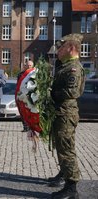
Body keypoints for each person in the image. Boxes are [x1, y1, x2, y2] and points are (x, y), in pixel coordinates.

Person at [49, 34, 85, 199]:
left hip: (66, 113)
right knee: (62, 147)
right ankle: (64, 175)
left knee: (67, 150)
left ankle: (72, 189)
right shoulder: (65, 65)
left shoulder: (74, 68)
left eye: (61, 48)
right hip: (61, 112)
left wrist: (50, 94)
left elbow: (72, 92)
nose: (58, 51)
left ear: (71, 48)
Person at [17, 60, 34, 132]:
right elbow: (18, 85)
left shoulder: (34, 74)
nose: (28, 67)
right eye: (27, 65)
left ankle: (31, 126)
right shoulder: (21, 74)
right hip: (22, 95)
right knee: (23, 111)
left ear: (32, 66)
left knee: (30, 111)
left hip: (31, 95)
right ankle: (25, 126)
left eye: (30, 65)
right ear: (25, 66)